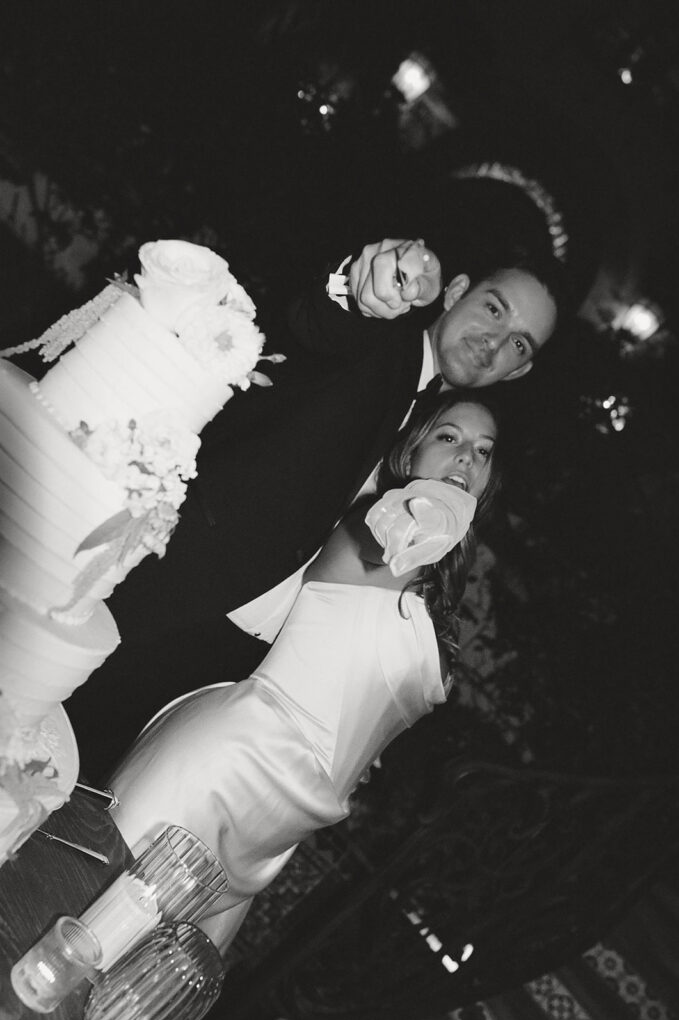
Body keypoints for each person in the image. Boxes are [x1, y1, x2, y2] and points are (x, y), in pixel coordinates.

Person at [67, 236, 564, 779]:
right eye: (494, 309)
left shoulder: (443, 446)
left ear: (518, 372)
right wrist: (358, 287)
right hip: (175, 586)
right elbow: (319, 321)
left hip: (239, 669)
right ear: (457, 292)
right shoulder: (377, 346)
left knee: (79, 793)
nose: (495, 341)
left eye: (519, 345)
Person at [108, 390, 503, 954]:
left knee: (149, 996)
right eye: (449, 438)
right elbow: (404, 537)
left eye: (483, 452)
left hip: (281, 827)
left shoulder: (435, 582)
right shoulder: (378, 528)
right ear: (409, 451)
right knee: (78, 932)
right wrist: (443, 509)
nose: (467, 457)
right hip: (229, 764)